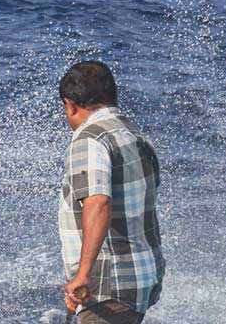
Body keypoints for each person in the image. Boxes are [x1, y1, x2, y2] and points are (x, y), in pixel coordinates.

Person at [56, 61, 164, 324]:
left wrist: (83, 274)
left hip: (108, 285)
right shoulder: (136, 136)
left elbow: (98, 202)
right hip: (141, 277)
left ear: (70, 105)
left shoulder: (89, 139)